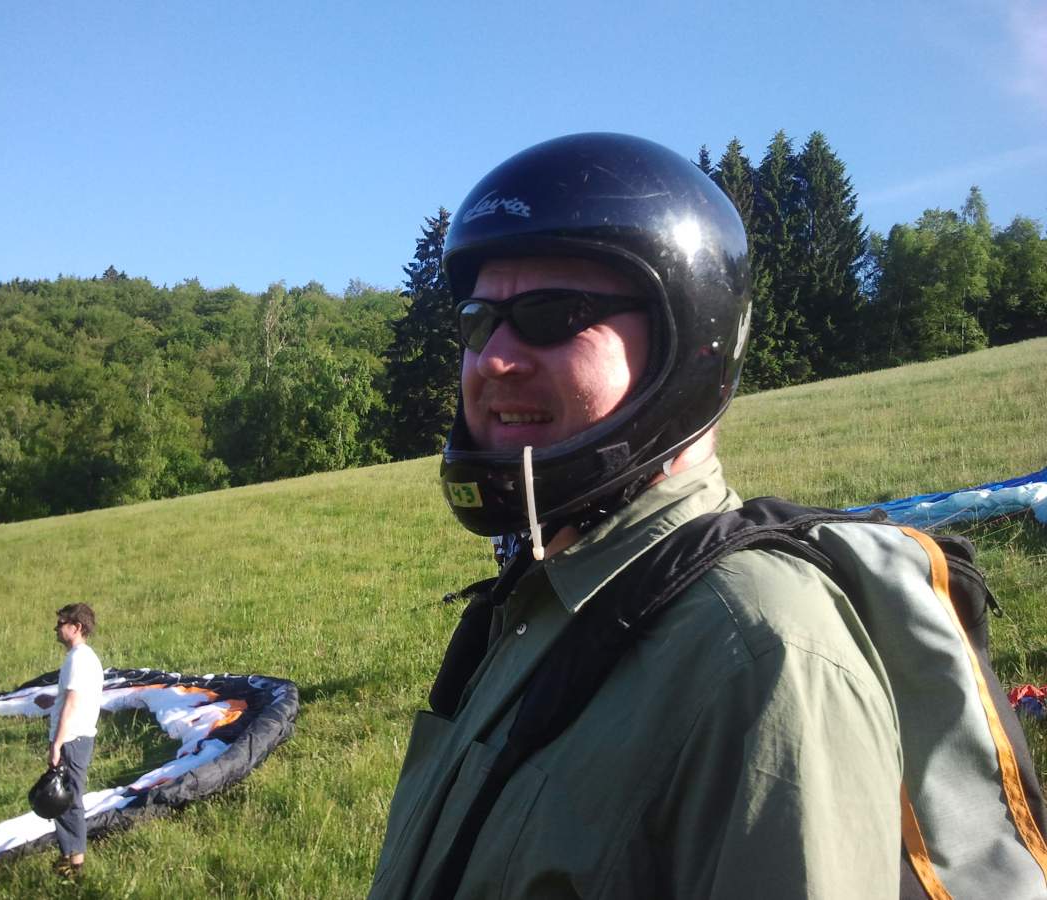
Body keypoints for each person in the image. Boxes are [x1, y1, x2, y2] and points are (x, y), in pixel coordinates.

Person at [370, 133, 901, 898]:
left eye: (553, 314)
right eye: (479, 321)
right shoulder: (539, 598)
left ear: (689, 344)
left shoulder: (760, 656)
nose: (494, 359)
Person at [48, 602, 103, 880]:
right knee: (65, 798)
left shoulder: (78, 660)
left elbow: (72, 704)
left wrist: (56, 744)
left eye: (61, 623)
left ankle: (75, 864)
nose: (56, 628)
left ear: (76, 627)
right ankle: (69, 856)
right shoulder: (83, 658)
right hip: (76, 736)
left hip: (72, 738)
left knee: (67, 799)